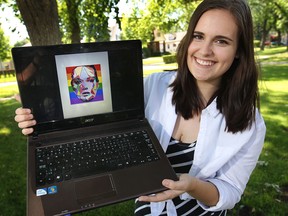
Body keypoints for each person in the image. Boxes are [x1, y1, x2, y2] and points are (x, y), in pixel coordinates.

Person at [14, 0, 266, 215]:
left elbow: (231, 189)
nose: (205, 50)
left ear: (239, 52)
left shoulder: (250, 124)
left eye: (221, 41)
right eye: (198, 36)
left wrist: (192, 186)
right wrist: (42, 115)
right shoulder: (153, 87)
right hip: (149, 209)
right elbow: (90, 110)